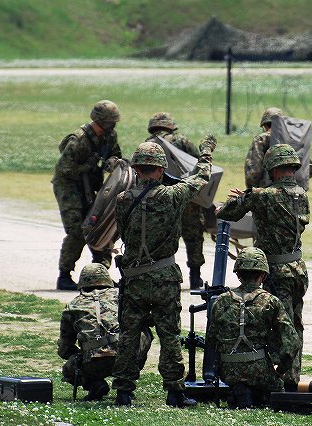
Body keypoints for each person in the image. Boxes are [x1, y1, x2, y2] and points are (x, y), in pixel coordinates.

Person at [111, 135, 217, 407]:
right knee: (169, 336)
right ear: (160, 170)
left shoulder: (122, 199)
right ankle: (174, 391)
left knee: (129, 336)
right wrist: (206, 152)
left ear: (136, 169)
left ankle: (123, 391)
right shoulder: (172, 195)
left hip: (134, 279)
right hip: (164, 279)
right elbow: (200, 178)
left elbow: (123, 232)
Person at [217, 144, 309, 392]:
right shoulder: (301, 194)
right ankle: (292, 377)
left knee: (278, 326)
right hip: (297, 268)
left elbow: (228, 213)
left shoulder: (263, 195)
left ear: (273, 169)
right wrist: (251, 195)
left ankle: (280, 381)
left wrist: (237, 200)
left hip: (276, 271)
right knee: (295, 324)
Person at [207, 247, 300, 408]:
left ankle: (241, 391)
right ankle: (254, 394)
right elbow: (292, 342)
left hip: (228, 370)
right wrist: (280, 369)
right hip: (260, 370)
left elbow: (211, 339)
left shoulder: (221, 301)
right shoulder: (270, 301)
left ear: (238, 274)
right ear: (263, 275)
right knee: (276, 389)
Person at [52, 100, 122, 291]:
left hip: (90, 187)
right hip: (68, 187)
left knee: (100, 227)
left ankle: (100, 274)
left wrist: (112, 163)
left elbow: (114, 155)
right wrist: (90, 165)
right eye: (110, 122)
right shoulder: (78, 140)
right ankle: (64, 276)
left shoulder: (109, 137)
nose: (113, 125)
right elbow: (64, 169)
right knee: (77, 230)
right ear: (101, 121)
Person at [57, 263, 152, 401]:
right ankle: (125, 384)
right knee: (145, 333)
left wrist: (85, 352)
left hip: (93, 364)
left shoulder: (73, 306)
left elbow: (64, 349)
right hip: (126, 357)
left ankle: (94, 383)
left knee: (68, 369)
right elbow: (146, 320)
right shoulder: (122, 297)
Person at [145, 112, 206, 289]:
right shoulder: (182, 141)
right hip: (185, 197)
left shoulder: (147, 144)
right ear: (171, 126)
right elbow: (198, 163)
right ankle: (195, 276)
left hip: (158, 196)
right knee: (193, 235)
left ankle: (158, 273)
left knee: (160, 235)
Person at [244, 107, 312, 190]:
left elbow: (254, 171)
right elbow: (310, 170)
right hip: (296, 191)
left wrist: (252, 191)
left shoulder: (261, 139)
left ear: (265, 125)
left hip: (269, 192)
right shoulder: (293, 138)